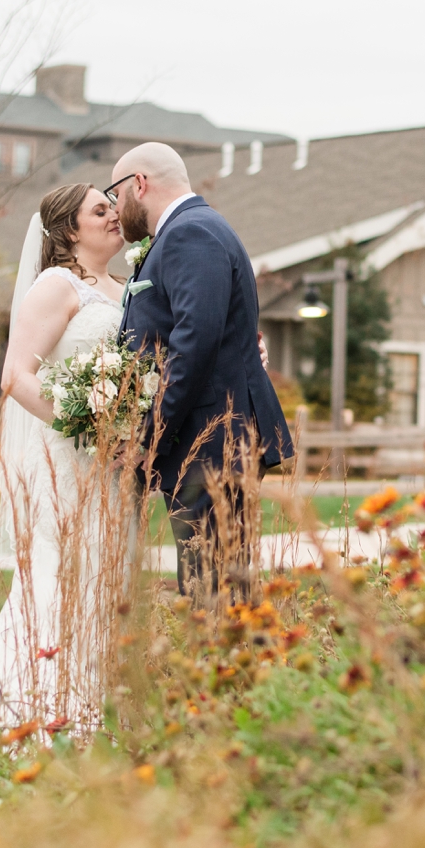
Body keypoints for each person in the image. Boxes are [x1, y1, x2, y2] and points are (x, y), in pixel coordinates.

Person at [0, 183, 133, 728]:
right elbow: (16, 376)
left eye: (113, 208)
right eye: (99, 210)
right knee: (54, 584)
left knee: (102, 584)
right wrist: (87, 425)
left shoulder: (127, 289)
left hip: (113, 468)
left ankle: (89, 713)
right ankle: (19, 713)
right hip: (64, 459)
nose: (114, 216)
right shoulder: (56, 287)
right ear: (67, 231)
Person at [108, 142, 294, 598]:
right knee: (214, 588)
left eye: (115, 193)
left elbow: (194, 344)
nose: (116, 208)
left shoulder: (191, 233)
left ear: (139, 183)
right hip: (210, 441)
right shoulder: (190, 231)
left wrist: (149, 437)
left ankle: (229, 669)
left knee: (214, 591)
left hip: (211, 443)